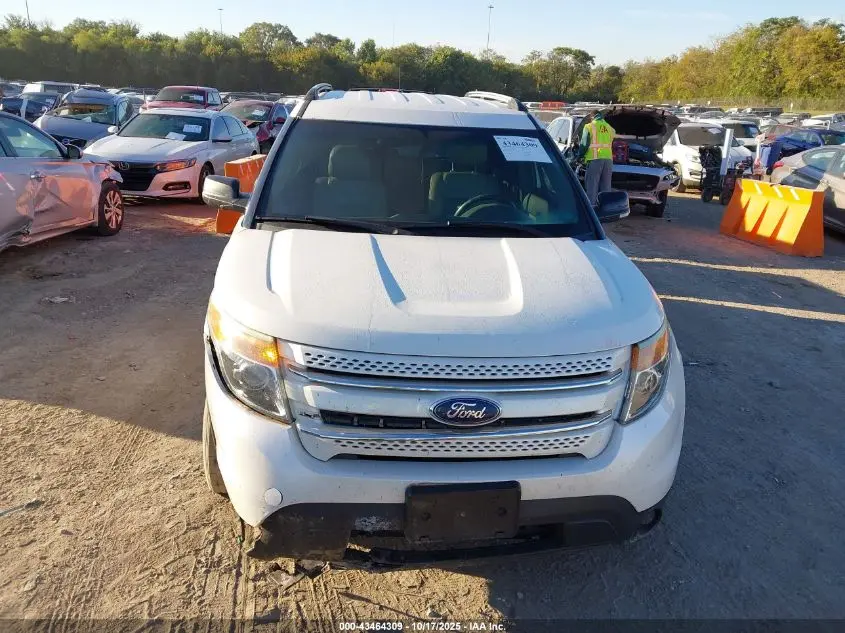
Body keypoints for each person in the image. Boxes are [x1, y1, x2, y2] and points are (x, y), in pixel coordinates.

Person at [579, 111, 616, 206]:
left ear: (592, 117)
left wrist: (580, 156)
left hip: (595, 158)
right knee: (606, 187)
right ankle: (606, 210)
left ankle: (592, 211)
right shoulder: (610, 128)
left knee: (592, 186)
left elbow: (584, 145)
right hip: (608, 160)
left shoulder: (589, 126)